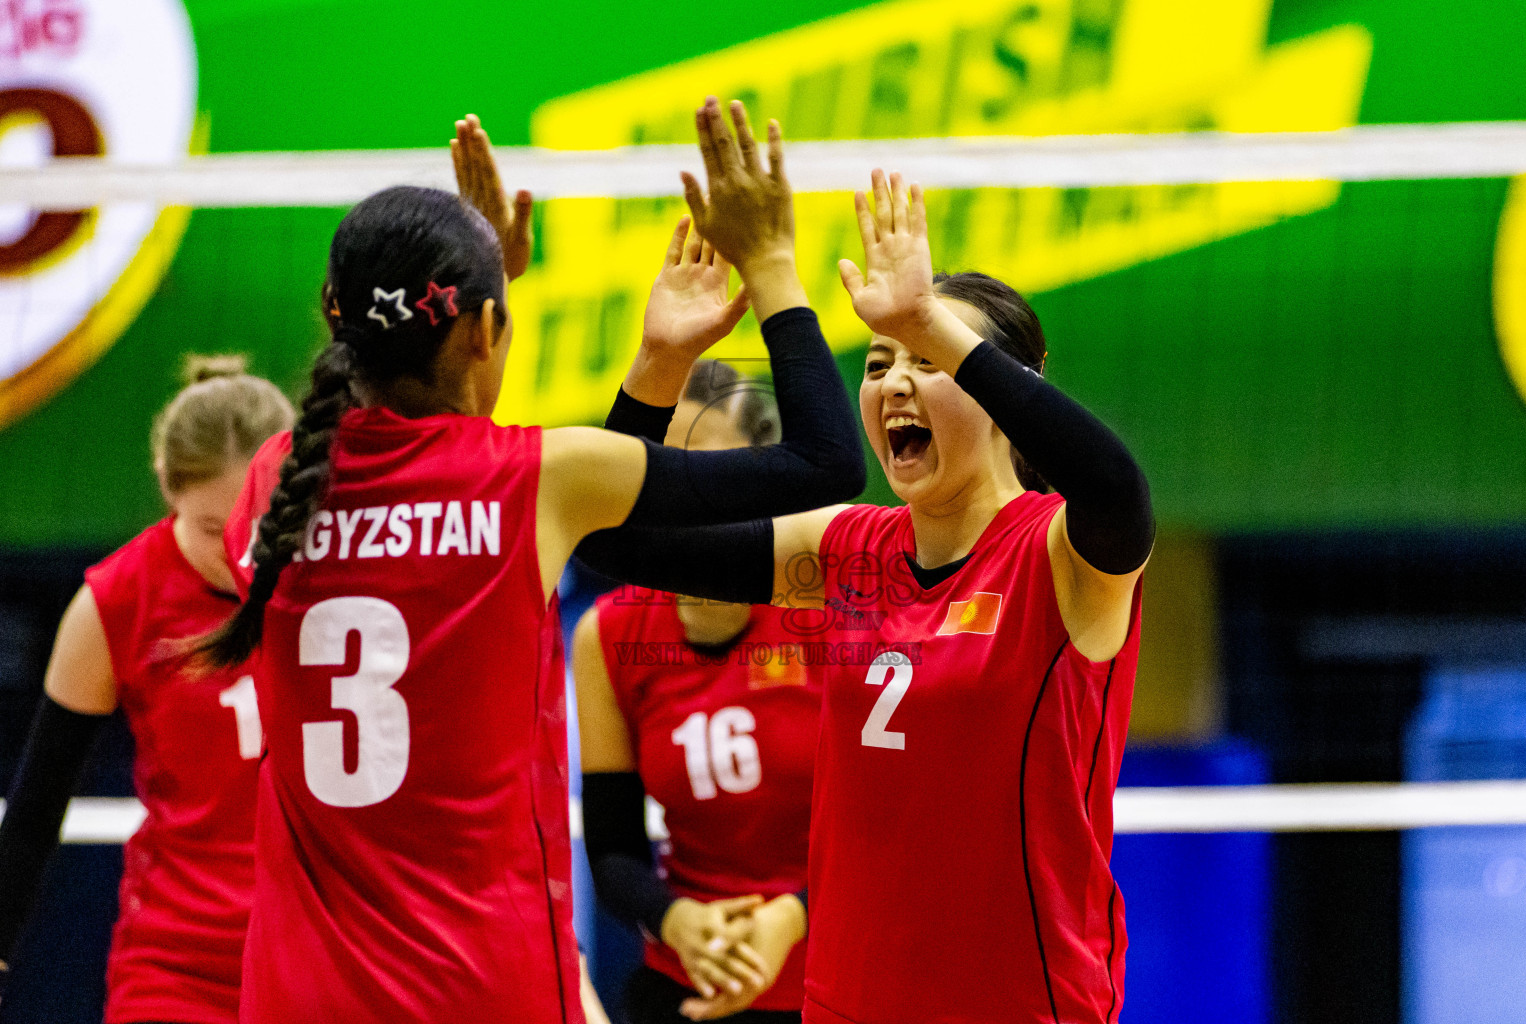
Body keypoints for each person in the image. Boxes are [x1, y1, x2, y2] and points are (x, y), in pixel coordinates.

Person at [197, 97, 863, 1023]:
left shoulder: (273, 484)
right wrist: (774, 266)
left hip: (298, 996)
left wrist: (489, 285)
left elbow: (448, 464)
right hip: (484, 987)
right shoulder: (531, 481)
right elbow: (826, 464)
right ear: (483, 332)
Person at [576, 169, 1155, 1024]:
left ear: (1003, 390)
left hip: (1021, 1006)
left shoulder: (1058, 556)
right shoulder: (845, 548)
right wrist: (663, 360)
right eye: (879, 362)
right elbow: (616, 535)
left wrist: (929, 320)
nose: (893, 383)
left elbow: (1116, 490)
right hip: (848, 1004)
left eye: (929, 359)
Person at [0, 356, 294, 1022]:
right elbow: (37, 805)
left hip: (319, 957)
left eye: (262, 522)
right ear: (167, 489)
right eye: (215, 530)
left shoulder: (344, 571)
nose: (241, 551)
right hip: (177, 969)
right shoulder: (119, 599)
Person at [575, 349, 817, 1024]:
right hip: (685, 981)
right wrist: (677, 920)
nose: (680, 501)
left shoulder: (826, 610)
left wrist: (788, 920)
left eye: (709, 476)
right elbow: (615, 847)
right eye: (660, 476)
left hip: (828, 981)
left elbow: (888, 833)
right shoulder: (609, 634)